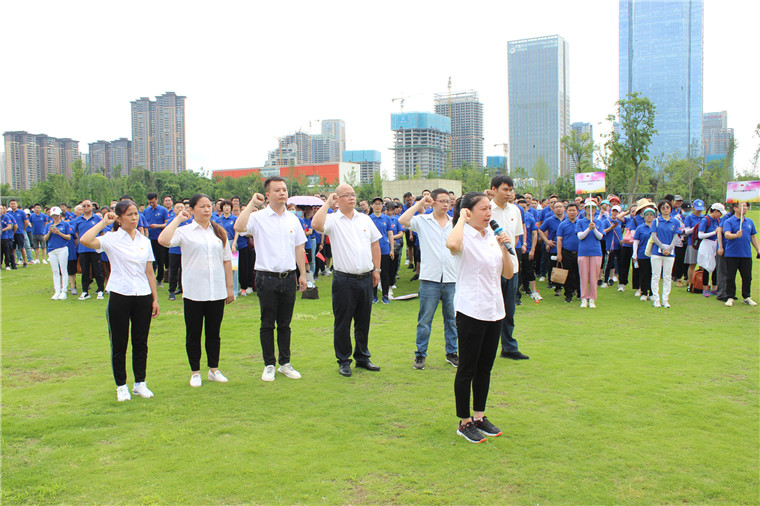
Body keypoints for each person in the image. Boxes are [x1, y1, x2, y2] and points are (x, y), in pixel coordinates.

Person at [446, 192, 514, 444]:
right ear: (468, 212)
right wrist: (461, 220)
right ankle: (464, 422)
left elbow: (508, 273)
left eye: (489, 209)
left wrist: (504, 247)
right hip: (471, 311)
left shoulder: (492, 236)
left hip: (494, 310)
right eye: (483, 209)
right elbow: (452, 246)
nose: (488, 214)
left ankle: (479, 416)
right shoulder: (462, 234)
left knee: (485, 367)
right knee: (468, 368)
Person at [79, 200, 159, 402]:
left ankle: (140, 383)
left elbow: (149, 271)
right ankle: (121, 385)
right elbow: (85, 240)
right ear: (120, 218)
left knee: (140, 343)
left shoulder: (144, 241)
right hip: (120, 295)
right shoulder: (111, 238)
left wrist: (155, 299)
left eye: (136, 214)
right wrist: (103, 222)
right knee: (119, 343)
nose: (134, 218)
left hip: (142, 296)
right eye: (129, 214)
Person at [235, 177, 308, 382]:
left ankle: (285, 363)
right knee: (267, 323)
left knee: (285, 324)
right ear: (268, 195)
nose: (282, 193)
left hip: (289, 277)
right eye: (277, 190)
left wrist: (302, 274)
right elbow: (239, 227)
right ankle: (269, 364)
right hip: (266, 277)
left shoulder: (293, 219)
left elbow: (299, 247)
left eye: (284, 189)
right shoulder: (258, 217)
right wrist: (252, 203)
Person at [159, 194, 234, 387]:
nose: (207, 209)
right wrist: (178, 219)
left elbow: (227, 260)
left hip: (216, 291)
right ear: (192, 210)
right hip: (194, 291)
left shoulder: (219, 232)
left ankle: (214, 369)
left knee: (214, 333)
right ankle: (195, 372)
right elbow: (163, 240)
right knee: (193, 333)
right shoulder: (184, 232)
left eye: (209, 206)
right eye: (202, 206)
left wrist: (229, 288)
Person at [312, 184, 382, 377]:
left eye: (353, 194)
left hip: (365, 277)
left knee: (363, 320)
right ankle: (343, 360)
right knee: (342, 322)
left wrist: (377, 269)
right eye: (346, 195)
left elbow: (375, 244)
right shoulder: (332, 220)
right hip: (344, 280)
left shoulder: (365, 218)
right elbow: (316, 225)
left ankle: (362, 357)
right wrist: (327, 202)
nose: (352, 198)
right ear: (338, 198)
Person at [399, 189, 458, 370]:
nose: (446, 204)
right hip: (430, 279)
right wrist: (420, 203)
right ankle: (420, 355)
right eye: (442, 201)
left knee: (452, 320)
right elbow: (403, 220)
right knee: (425, 320)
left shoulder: (455, 223)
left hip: (451, 278)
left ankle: (452, 353)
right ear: (433, 202)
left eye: (448, 201)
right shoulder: (423, 221)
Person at [489, 175, 528, 360]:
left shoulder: (516, 210)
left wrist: (508, 256)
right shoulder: (486, 209)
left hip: (511, 265)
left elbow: (516, 238)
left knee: (509, 309)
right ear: (494, 189)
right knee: (491, 308)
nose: (509, 193)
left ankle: (509, 347)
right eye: (505, 189)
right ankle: (488, 347)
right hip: (491, 267)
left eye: (511, 189)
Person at [722, 202, 760, 307]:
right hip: (732, 254)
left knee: (747, 277)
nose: (745, 208)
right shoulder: (729, 221)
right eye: (743, 206)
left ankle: (746, 296)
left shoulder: (749, 222)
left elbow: (753, 237)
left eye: (746, 206)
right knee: (730, 277)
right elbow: (727, 235)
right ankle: (730, 297)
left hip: (746, 254)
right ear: (735, 208)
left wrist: (758, 249)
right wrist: (736, 235)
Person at [650, 200, 682, 308]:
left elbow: (676, 236)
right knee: (656, 275)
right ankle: (656, 299)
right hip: (657, 251)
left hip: (670, 252)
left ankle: (665, 299)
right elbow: (654, 235)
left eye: (667, 207)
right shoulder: (656, 221)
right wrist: (663, 247)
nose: (665, 209)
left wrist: (670, 248)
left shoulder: (675, 222)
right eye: (663, 208)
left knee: (667, 276)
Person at [72, 199, 106, 300]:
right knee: (85, 271)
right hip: (83, 249)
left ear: (92, 207)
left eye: (88, 205)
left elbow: (102, 232)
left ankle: (100, 290)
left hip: (95, 249)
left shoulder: (97, 218)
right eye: (84, 206)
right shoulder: (78, 220)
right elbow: (76, 234)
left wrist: (101, 245)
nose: (86, 207)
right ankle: (85, 291)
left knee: (98, 269)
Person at [575, 199, 605, 308]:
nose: (590, 210)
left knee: (594, 277)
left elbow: (600, 237)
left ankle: (592, 298)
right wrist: (588, 229)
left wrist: (594, 229)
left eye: (593, 208)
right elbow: (580, 236)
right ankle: (583, 298)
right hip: (583, 252)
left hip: (596, 252)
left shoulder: (599, 222)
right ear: (585, 209)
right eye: (588, 208)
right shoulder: (580, 221)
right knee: (583, 276)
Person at [369, 197, 395, 304]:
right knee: (373, 272)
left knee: (385, 274)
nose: (377, 206)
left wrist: (392, 249)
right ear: (372, 205)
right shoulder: (368, 219)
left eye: (379, 204)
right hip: (372, 250)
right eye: (375, 204)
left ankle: (385, 295)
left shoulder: (386, 218)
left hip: (384, 249)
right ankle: (373, 295)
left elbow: (390, 234)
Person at [44, 207, 72, 299]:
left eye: (56, 215)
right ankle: (57, 291)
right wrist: (50, 232)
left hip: (62, 248)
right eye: (53, 216)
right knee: (55, 271)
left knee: (63, 270)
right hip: (52, 249)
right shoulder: (49, 225)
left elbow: (68, 237)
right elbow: (45, 238)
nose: (55, 217)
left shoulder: (65, 224)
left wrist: (59, 233)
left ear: (60, 215)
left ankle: (64, 291)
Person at [143, 192, 169, 286]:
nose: (151, 204)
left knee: (160, 259)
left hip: (159, 238)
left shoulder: (163, 210)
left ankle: (160, 279)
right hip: (149, 238)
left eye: (153, 202)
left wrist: (157, 226)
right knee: (149, 259)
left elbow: (167, 224)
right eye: (150, 202)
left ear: (157, 200)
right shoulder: (146, 211)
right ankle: (149, 277)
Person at [556, 202, 580, 303]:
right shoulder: (563, 224)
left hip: (579, 253)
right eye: (570, 210)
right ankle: (568, 295)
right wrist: (559, 254)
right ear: (566, 212)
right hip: (566, 253)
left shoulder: (580, 223)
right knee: (568, 274)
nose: (572, 212)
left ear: (577, 212)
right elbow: (559, 239)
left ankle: (580, 293)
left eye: (574, 210)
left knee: (579, 274)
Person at [167, 202, 191, 300]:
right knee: (173, 270)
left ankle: (183, 289)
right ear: (174, 210)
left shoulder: (189, 221)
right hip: (174, 250)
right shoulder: (171, 221)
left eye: (182, 207)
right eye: (178, 208)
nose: (180, 209)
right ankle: (172, 291)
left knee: (184, 270)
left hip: (186, 250)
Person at [632, 204, 657, 302]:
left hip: (654, 254)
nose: (649, 217)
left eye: (651, 215)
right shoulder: (640, 228)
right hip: (642, 254)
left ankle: (652, 292)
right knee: (643, 274)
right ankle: (644, 292)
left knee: (653, 274)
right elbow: (636, 242)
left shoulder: (656, 227)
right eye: (647, 215)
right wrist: (635, 254)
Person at [7, 200, 29, 268]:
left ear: (16, 204)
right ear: (9, 205)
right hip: (12, 233)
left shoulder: (21, 212)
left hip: (19, 232)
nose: (13, 205)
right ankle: (14, 262)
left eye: (14, 203)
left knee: (21, 248)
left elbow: (26, 222)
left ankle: (25, 262)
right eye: (11, 204)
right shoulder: (9, 214)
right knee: (13, 248)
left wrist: (23, 228)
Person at [1, 205, 18, 270]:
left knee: (8, 251)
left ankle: (9, 265)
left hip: (6, 237)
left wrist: (2, 230)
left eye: (2, 208)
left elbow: (12, 226)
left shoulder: (7, 217)